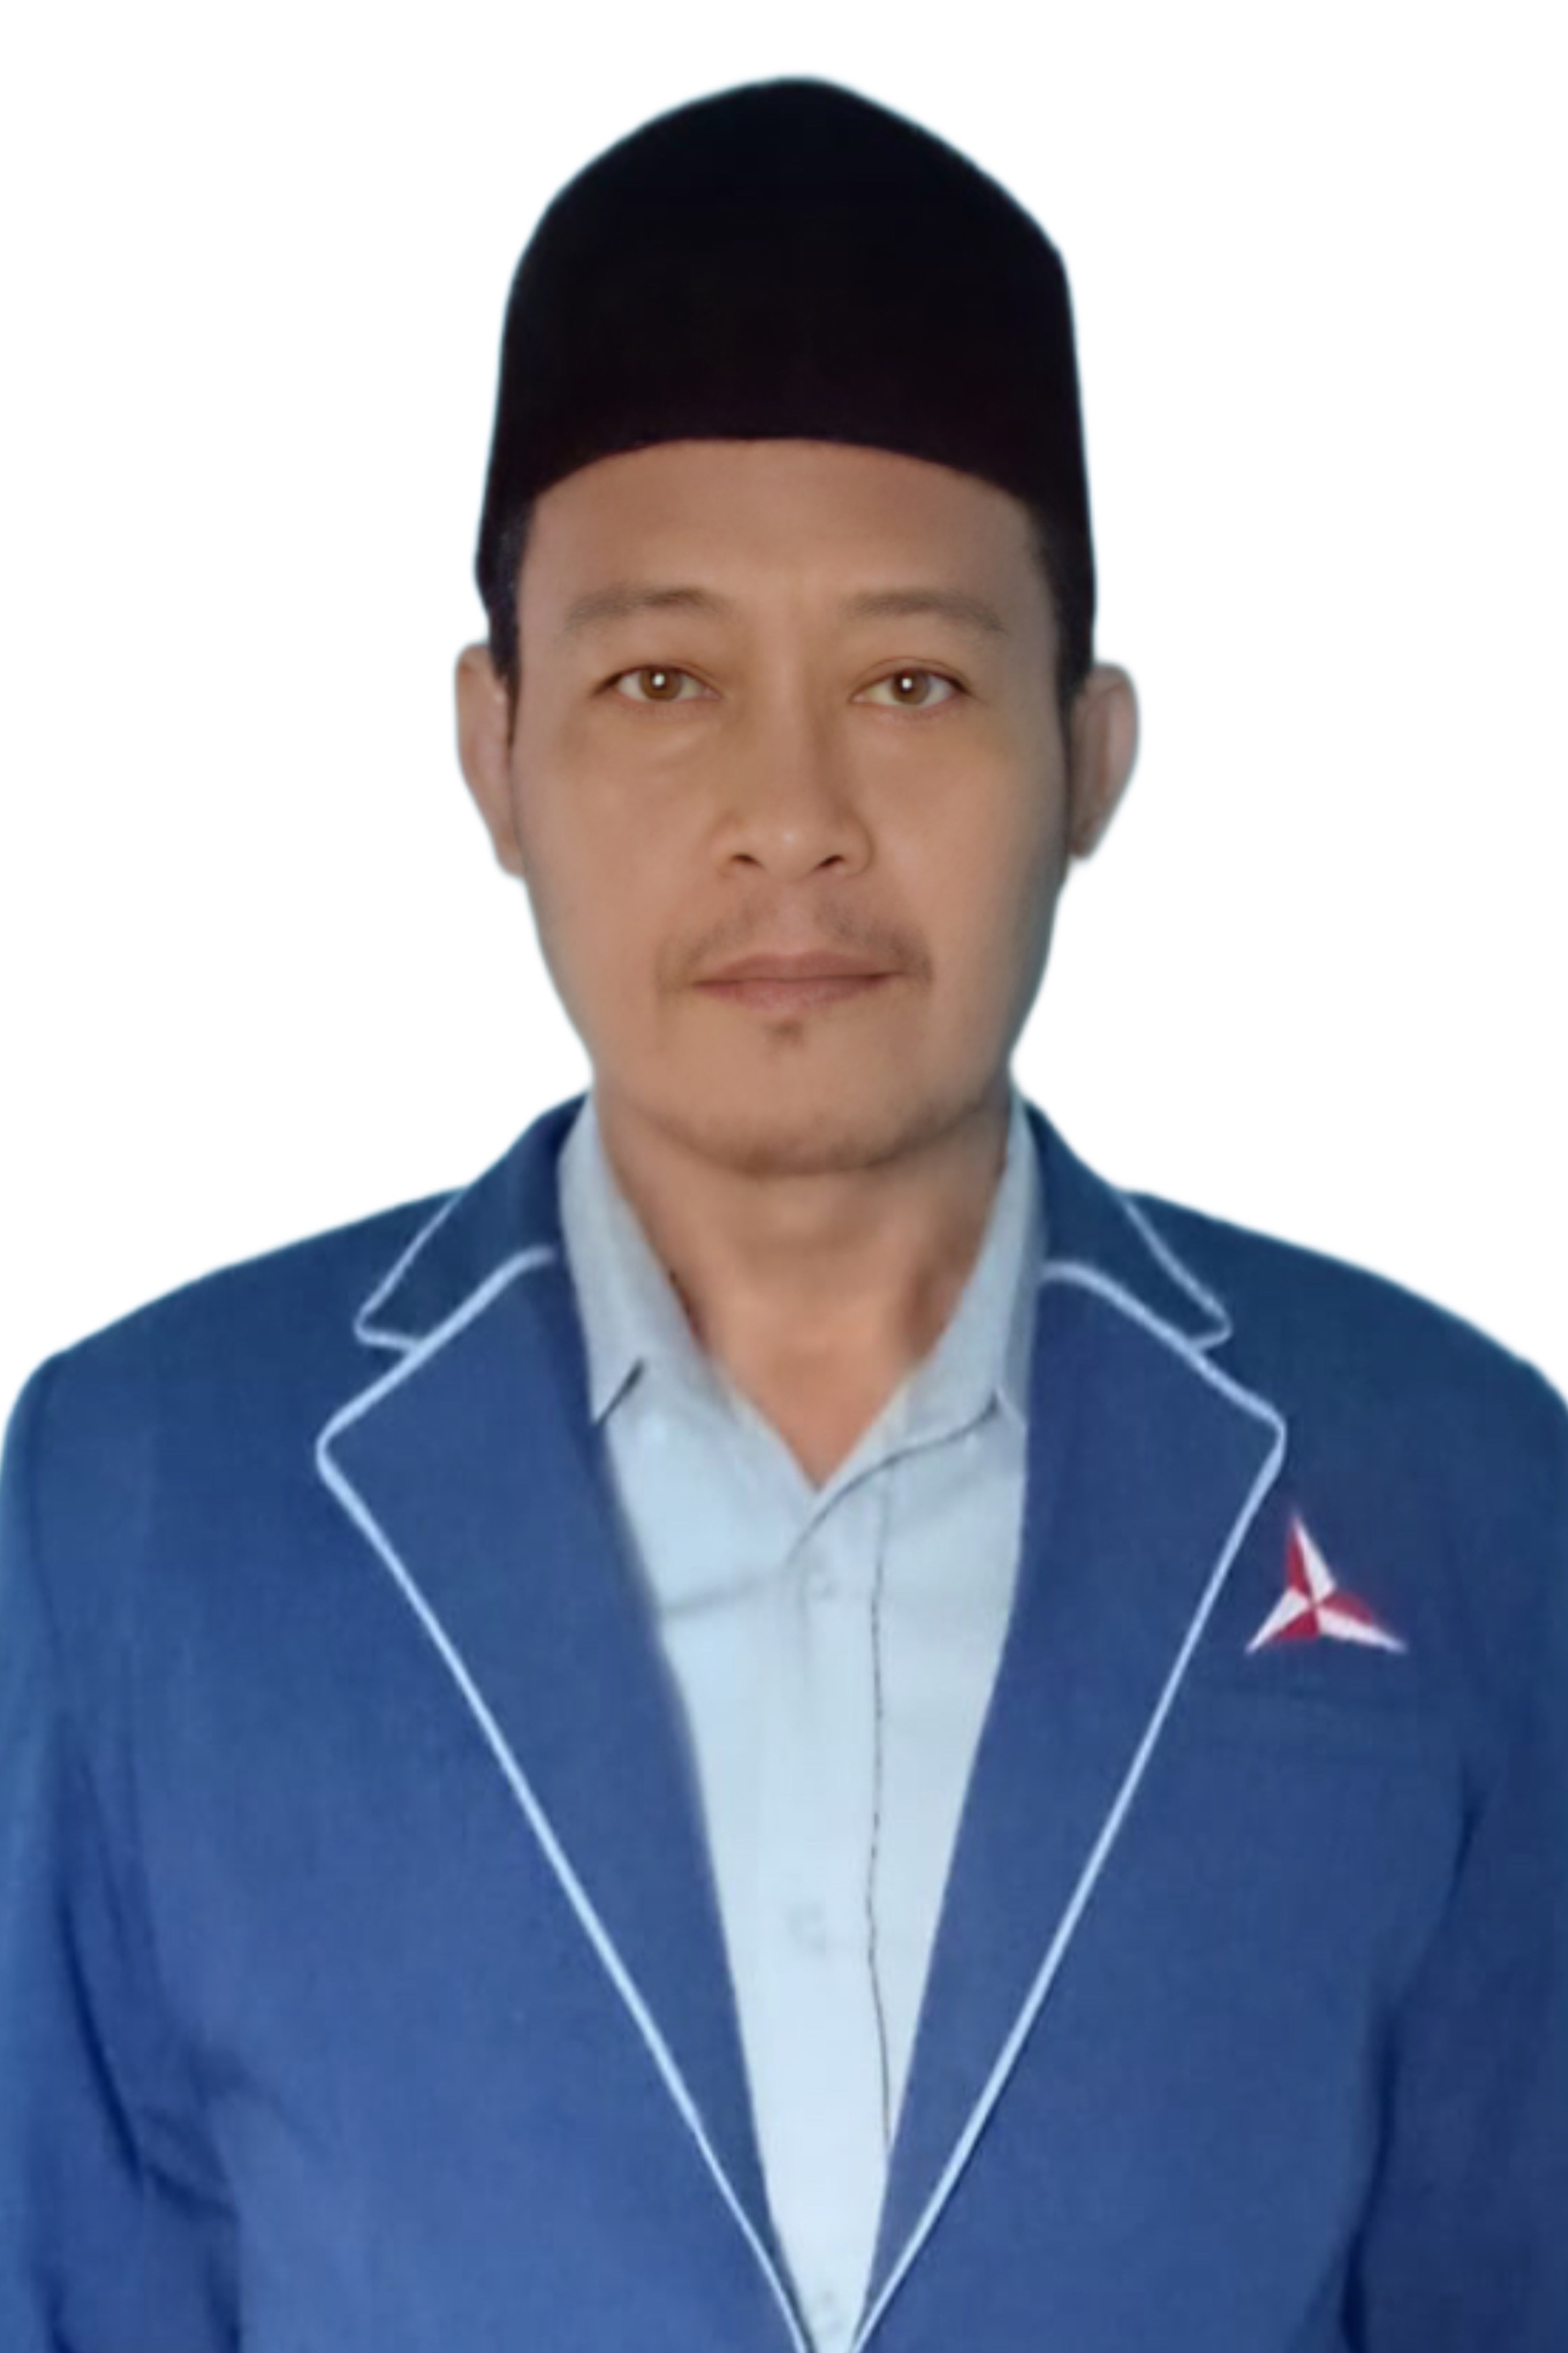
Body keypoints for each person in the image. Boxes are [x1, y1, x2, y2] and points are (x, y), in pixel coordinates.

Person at [1, 73, 1562, 2353]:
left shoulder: (1460, 1490)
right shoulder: (146, 1502)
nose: (791, 816)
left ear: (1091, 754)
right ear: (493, 750)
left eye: (913, 682)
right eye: (662, 681)